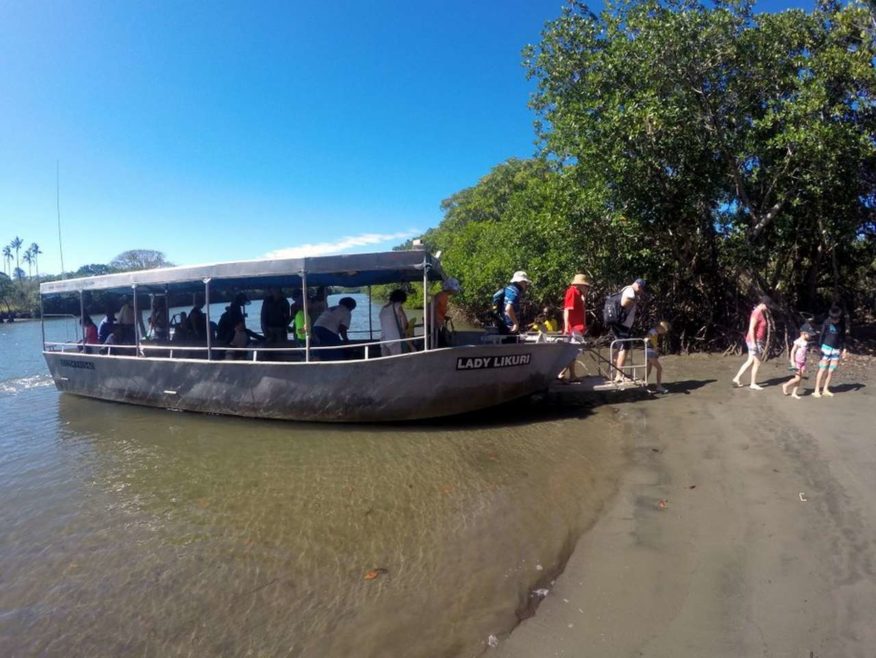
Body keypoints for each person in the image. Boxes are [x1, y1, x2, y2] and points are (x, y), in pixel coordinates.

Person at [732, 295, 772, 390]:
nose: (768, 308)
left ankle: (736, 378)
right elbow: (751, 328)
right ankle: (753, 384)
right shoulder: (756, 313)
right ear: (763, 304)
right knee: (757, 362)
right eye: (767, 306)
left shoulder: (760, 312)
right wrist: (754, 343)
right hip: (754, 341)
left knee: (750, 361)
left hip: (756, 341)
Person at [612, 278, 646, 383]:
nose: (641, 292)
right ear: (639, 286)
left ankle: (616, 373)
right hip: (622, 325)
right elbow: (624, 303)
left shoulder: (626, 289)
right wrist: (635, 300)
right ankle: (618, 375)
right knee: (624, 349)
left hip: (620, 324)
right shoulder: (630, 290)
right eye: (642, 289)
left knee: (620, 348)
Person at [813, 305, 847, 398]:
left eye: (836, 319)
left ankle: (825, 389)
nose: (834, 321)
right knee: (822, 369)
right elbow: (822, 335)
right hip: (826, 348)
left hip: (836, 350)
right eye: (833, 319)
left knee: (831, 370)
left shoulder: (841, 323)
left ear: (839, 318)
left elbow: (843, 336)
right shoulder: (827, 322)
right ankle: (816, 390)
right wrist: (819, 347)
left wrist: (844, 349)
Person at [783, 322, 814, 399]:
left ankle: (794, 393)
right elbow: (793, 351)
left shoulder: (806, 342)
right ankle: (785, 385)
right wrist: (792, 361)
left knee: (800, 378)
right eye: (809, 334)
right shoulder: (798, 341)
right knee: (797, 378)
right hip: (797, 362)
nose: (810, 336)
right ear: (804, 333)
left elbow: (804, 352)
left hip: (803, 362)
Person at [498, 271, 531, 335]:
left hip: (503, 324)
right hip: (509, 327)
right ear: (520, 282)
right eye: (525, 282)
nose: (526, 284)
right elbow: (508, 308)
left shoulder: (508, 289)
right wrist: (515, 323)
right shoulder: (515, 292)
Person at [380, 290, 409, 356]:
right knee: (397, 360)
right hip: (394, 340)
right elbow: (404, 323)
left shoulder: (383, 308)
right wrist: (405, 329)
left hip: (383, 340)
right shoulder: (397, 306)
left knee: (386, 361)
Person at [432, 278, 460, 347]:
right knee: (441, 344)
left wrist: (443, 317)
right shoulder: (443, 296)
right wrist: (436, 320)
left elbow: (436, 308)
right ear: (451, 289)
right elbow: (432, 307)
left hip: (433, 323)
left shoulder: (442, 295)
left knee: (441, 341)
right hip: (433, 324)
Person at [645, 320, 671, 394]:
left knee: (648, 370)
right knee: (659, 368)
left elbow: (652, 341)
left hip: (650, 352)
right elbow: (648, 337)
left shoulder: (655, 332)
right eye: (663, 331)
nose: (663, 333)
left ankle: (643, 384)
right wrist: (648, 339)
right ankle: (658, 386)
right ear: (660, 327)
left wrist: (656, 348)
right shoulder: (653, 331)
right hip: (649, 352)